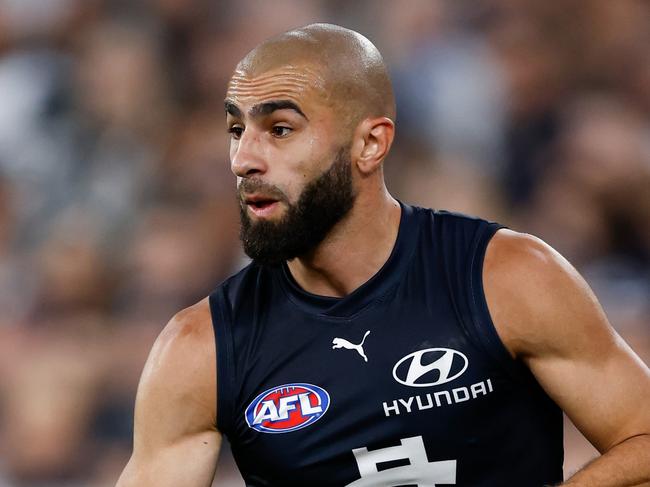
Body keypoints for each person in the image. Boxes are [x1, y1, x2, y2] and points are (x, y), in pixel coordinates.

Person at [116, 24, 650, 487]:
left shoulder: (504, 277)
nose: (243, 159)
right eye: (237, 130)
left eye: (279, 129)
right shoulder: (201, 349)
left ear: (370, 144)